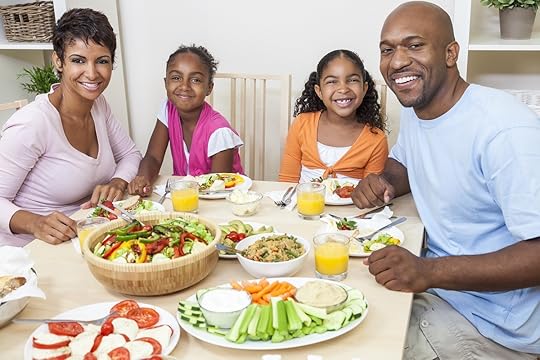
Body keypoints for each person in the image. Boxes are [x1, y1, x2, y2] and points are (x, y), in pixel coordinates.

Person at [352, 1, 540, 358]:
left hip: (491, 326)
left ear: (451, 53)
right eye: (387, 50)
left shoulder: (504, 130)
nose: (397, 61)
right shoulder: (420, 109)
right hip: (439, 291)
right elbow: (403, 162)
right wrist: (383, 181)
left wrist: (428, 271)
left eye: (415, 45)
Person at [0, 8, 141, 247]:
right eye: (78, 60)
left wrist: (117, 182)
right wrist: (36, 223)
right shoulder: (32, 124)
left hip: (84, 237)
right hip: (33, 251)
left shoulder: (98, 106)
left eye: (102, 61)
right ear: (59, 61)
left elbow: (130, 154)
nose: (92, 73)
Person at [127, 45, 244, 196]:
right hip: (187, 199)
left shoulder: (220, 132)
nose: (184, 86)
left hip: (221, 203)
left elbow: (217, 189)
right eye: (176, 78)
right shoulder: (168, 109)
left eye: (195, 80)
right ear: (166, 83)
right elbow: (153, 157)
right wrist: (142, 179)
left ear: (209, 88)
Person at [279, 49, 388, 183]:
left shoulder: (376, 139)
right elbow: (287, 181)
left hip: (353, 205)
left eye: (352, 80)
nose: (343, 89)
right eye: (332, 82)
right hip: (303, 203)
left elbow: (372, 193)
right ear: (319, 91)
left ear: (364, 88)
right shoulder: (302, 123)